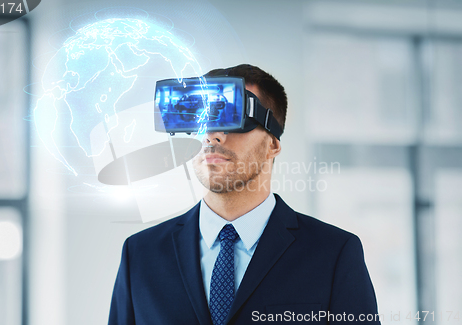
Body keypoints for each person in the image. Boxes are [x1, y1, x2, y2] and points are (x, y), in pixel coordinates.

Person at [108, 64, 380, 324]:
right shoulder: (140, 255)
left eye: (232, 118)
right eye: (201, 118)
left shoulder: (332, 254)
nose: (212, 136)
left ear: (272, 144)